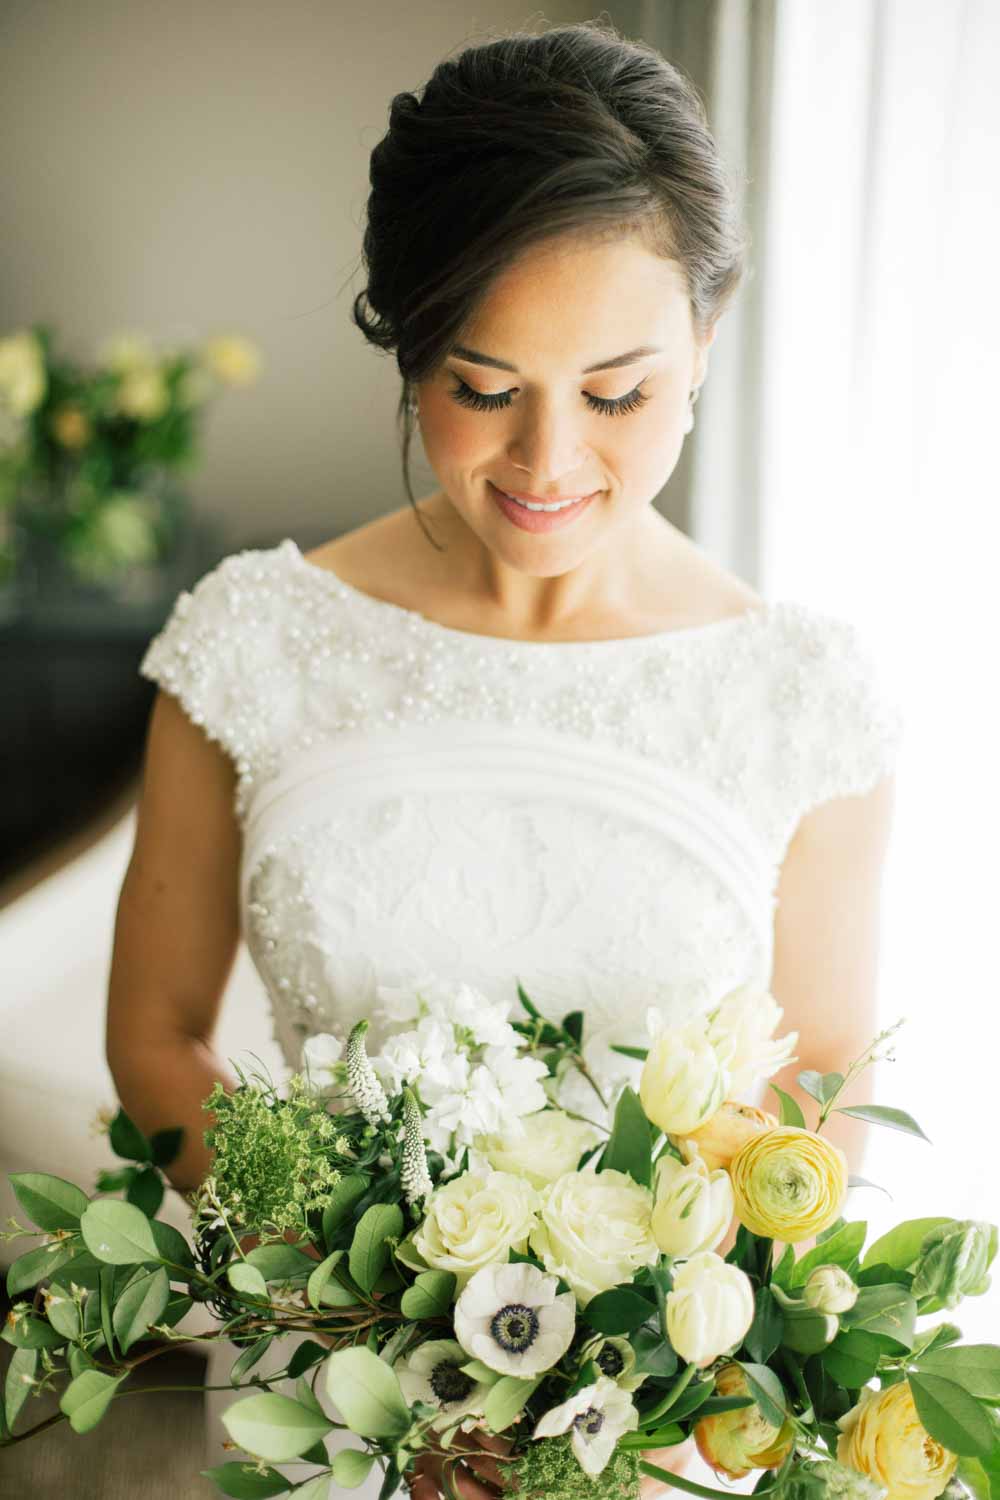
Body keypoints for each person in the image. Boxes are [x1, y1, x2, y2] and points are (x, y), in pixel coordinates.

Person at [105, 19, 903, 1500]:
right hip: (324, 1403)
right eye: (482, 388)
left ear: (705, 342)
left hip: (644, 1437)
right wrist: (372, 1315)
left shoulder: (803, 699)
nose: (546, 464)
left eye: (616, 394)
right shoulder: (253, 643)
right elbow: (157, 1035)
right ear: (410, 344)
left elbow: (821, 1098)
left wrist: (618, 1367)